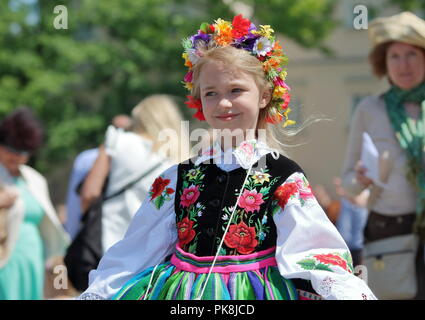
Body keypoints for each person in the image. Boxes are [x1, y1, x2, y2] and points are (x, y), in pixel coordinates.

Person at [78, 15, 375, 300]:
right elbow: (135, 251)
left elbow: (314, 251)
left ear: (263, 96)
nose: (223, 102)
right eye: (210, 93)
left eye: (236, 90)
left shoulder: (283, 177)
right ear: (199, 100)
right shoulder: (177, 177)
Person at [340, 12, 425, 299]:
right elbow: (349, 180)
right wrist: (361, 179)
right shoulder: (369, 109)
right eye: (395, 56)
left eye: (411, 54)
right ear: (383, 63)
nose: (403, 65)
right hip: (389, 233)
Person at [80, 94, 190, 254]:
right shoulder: (179, 159)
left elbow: (89, 193)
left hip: (110, 238)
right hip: (154, 249)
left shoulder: (117, 140)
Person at [0, 107, 70, 300]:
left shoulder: (34, 179)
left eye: (24, 152)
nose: (18, 157)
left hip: (34, 258)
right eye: (12, 150)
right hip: (4, 261)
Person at [64, 115, 132, 241]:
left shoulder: (86, 158)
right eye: (116, 129)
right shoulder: (87, 159)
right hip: (98, 233)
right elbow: (78, 200)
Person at [333, 178, 369, 267]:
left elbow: (361, 202)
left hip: (359, 247)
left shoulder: (365, 192)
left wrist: (346, 192)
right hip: (345, 247)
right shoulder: (346, 197)